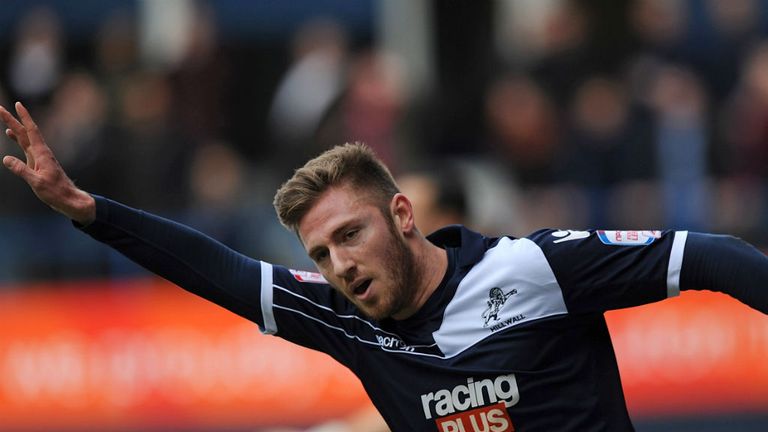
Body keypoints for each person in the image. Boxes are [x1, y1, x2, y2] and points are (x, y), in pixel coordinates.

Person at [2, 101, 767, 431]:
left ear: (403, 215)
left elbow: (711, 256)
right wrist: (85, 208)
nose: (339, 265)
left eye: (350, 235)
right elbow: (217, 271)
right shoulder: (344, 320)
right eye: (321, 254)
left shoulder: (535, 267)